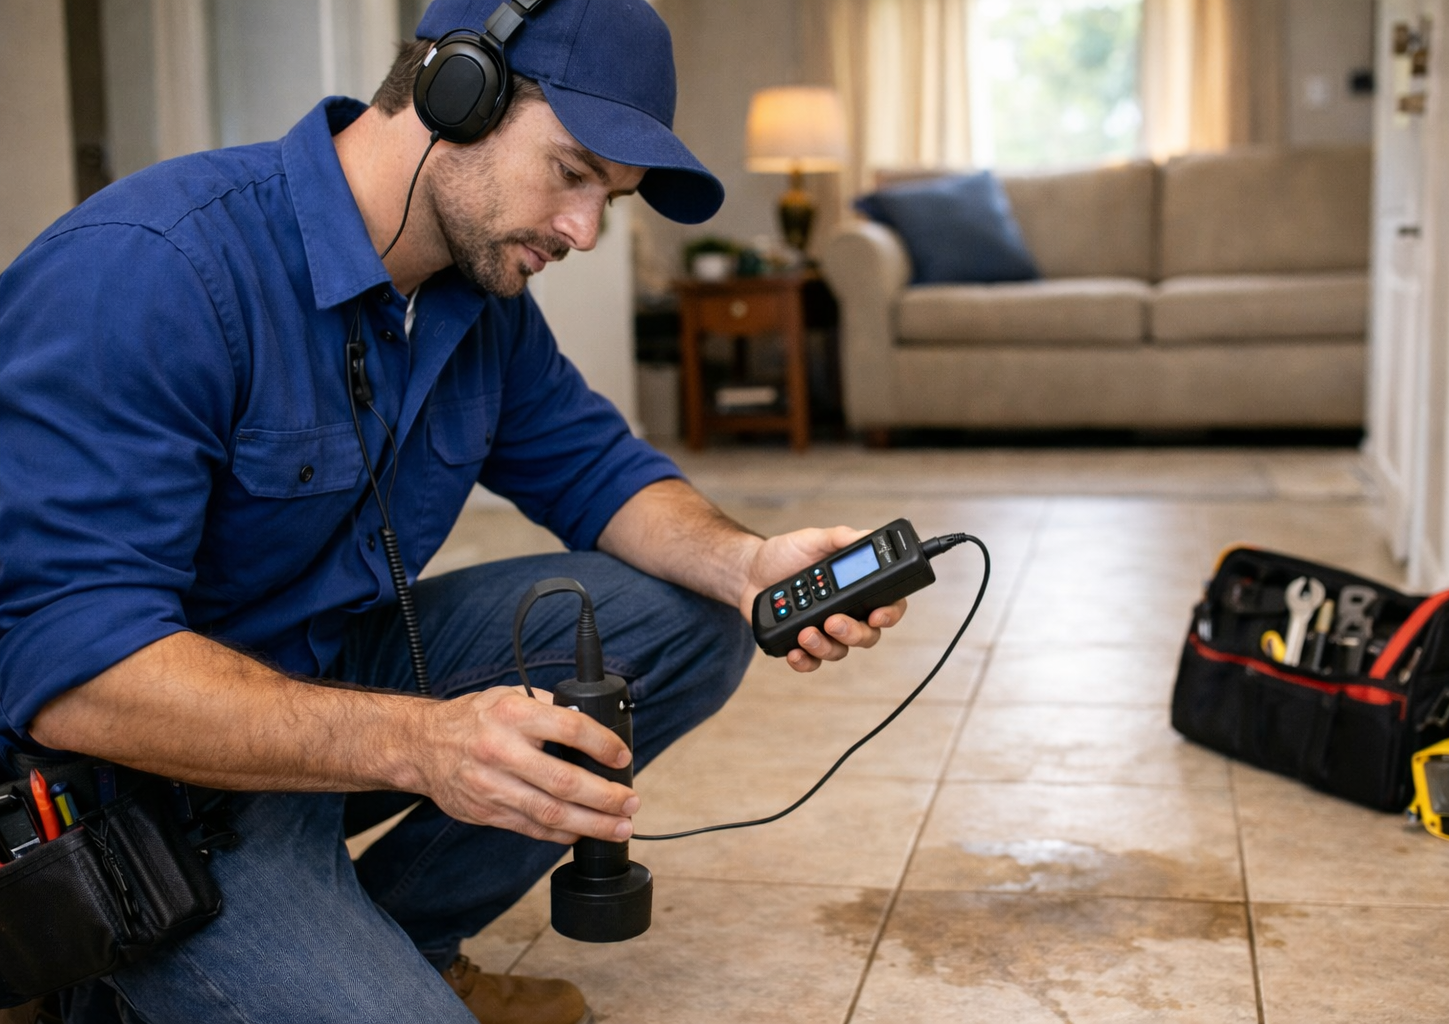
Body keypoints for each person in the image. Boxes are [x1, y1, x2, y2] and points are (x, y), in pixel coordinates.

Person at [0, 1, 906, 1022]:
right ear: (454, 93)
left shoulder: (476, 304)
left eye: (610, 198)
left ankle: (405, 941)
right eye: (572, 172)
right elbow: (70, 672)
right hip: (135, 780)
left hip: (317, 686)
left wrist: (748, 566)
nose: (586, 231)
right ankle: (106, 972)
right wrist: (420, 743)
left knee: (685, 616)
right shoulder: (154, 269)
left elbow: (598, 470)